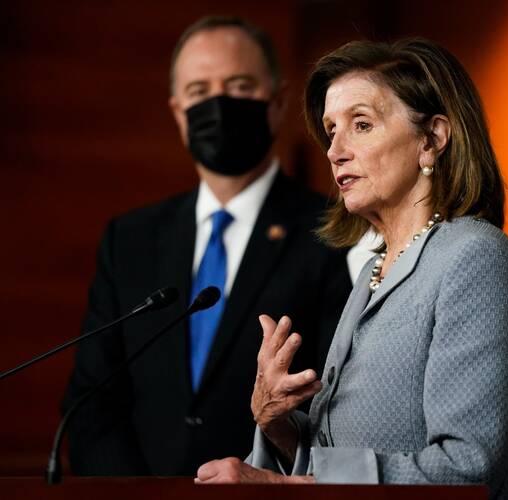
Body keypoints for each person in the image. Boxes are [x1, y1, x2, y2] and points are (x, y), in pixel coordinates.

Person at [195, 38, 508, 498]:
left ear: (432, 139)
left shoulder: (475, 258)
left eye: (361, 124)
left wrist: (283, 486)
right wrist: (277, 423)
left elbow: (467, 467)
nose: (335, 150)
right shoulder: (372, 273)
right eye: (330, 130)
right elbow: (345, 452)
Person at [61, 16, 351, 476]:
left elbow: (341, 402)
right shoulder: (129, 239)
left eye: (239, 86)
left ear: (277, 103)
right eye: (199, 92)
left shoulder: (333, 231)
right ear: (179, 113)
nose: (218, 105)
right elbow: (93, 402)